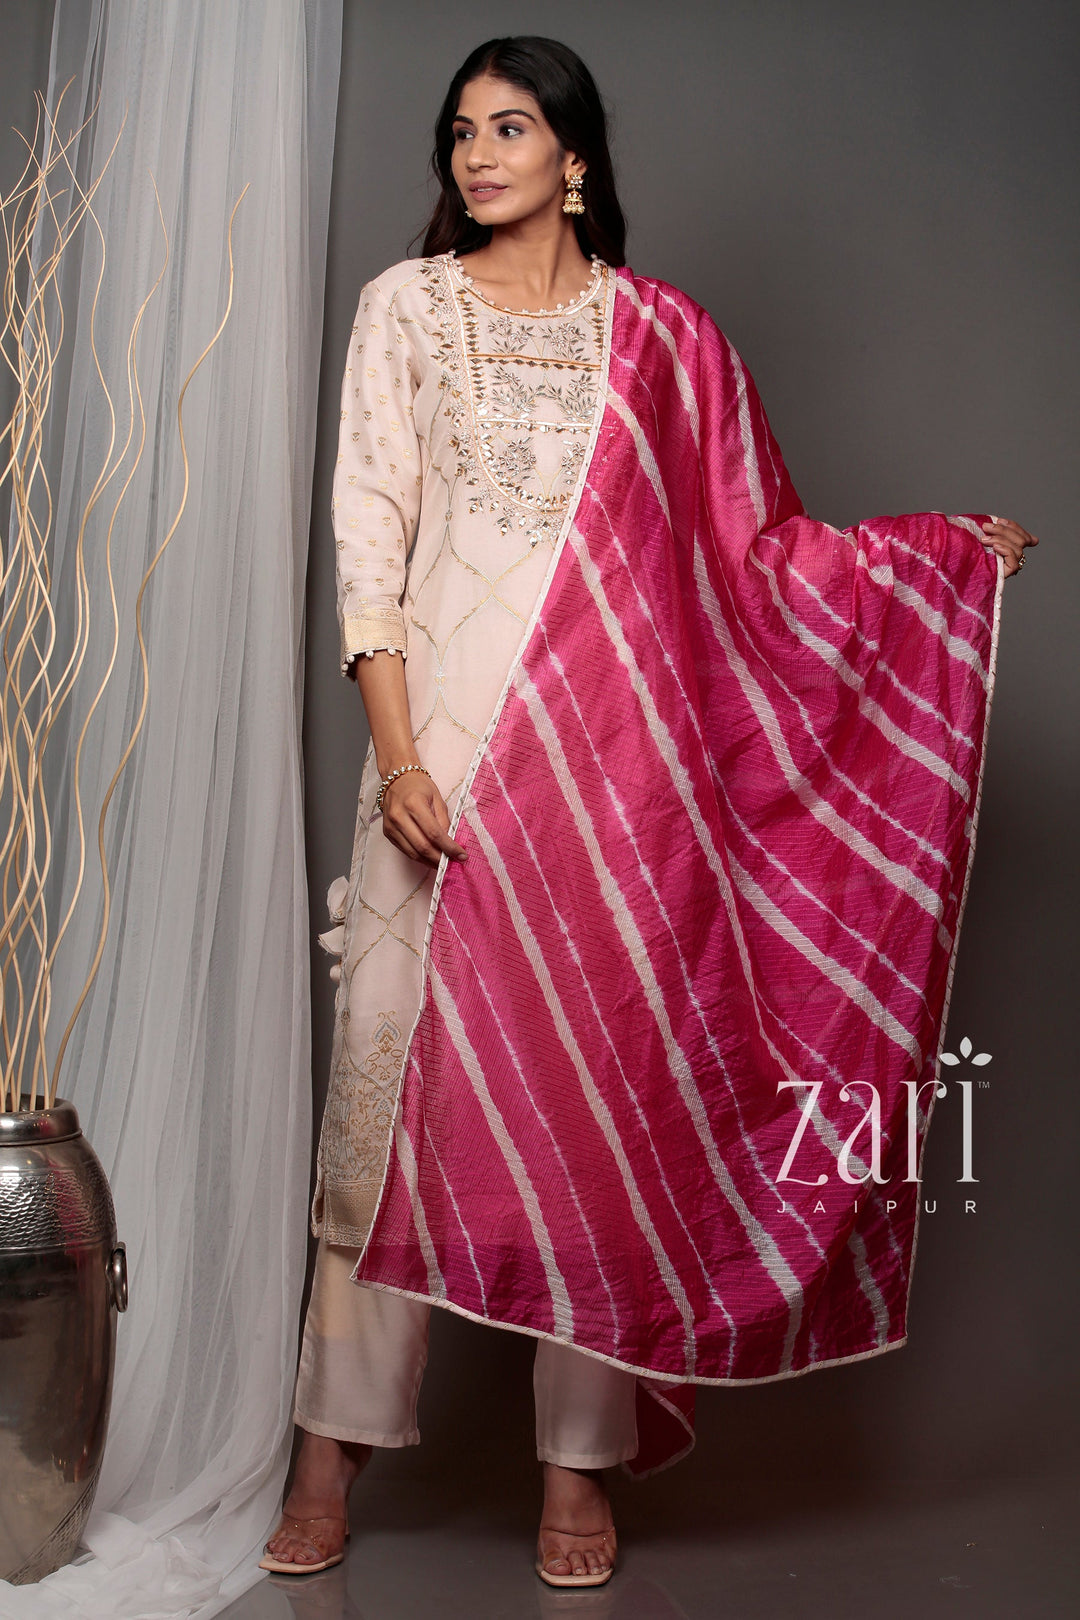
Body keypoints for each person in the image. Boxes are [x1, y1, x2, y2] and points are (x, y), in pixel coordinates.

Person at [262, 35, 1037, 1591]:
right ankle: (327, 1455)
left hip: (613, 781)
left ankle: (577, 1466)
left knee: (595, 1120)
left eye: (510, 128)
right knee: (381, 1119)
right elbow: (369, 539)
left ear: (576, 159)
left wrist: (933, 561)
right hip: (438, 762)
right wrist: (399, 761)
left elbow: (760, 563)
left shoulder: (664, 340)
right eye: (460, 131)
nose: (476, 155)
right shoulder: (406, 309)